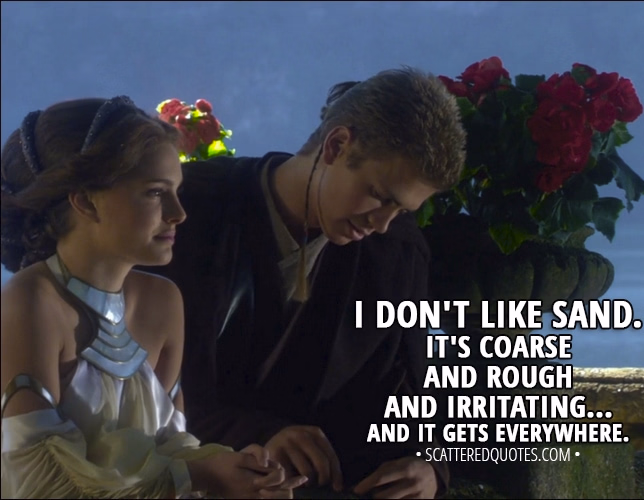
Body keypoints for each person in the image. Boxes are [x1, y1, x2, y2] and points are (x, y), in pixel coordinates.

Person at [149, 67, 467, 499]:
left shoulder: (396, 251)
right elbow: (132, 386)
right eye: (380, 196)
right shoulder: (191, 210)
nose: (381, 223)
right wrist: (257, 435)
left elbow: (410, 390)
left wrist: (429, 467)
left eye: (402, 211)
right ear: (336, 146)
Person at [0, 97, 306, 498]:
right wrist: (198, 476)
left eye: (176, 191)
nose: (179, 212)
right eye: (155, 193)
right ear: (85, 199)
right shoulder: (31, 301)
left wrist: (237, 472)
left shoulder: (162, 301)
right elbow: (37, 482)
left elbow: (170, 446)